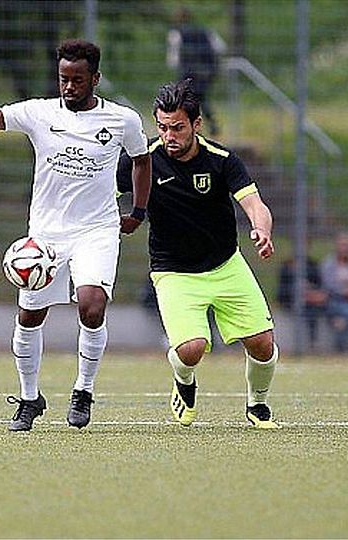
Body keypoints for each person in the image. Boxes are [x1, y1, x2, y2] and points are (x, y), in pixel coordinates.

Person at [0, 39, 151, 431]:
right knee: (29, 314)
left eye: (77, 80)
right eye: (63, 79)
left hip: (97, 229)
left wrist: (138, 211)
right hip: (46, 236)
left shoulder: (123, 120)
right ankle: (29, 398)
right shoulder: (39, 112)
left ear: (95, 79)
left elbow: (141, 160)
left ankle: (83, 391)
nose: (69, 87)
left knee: (92, 306)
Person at [116, 79, 281, 429]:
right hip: (173, 271)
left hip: (226, 264)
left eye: (177, 127)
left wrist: (261, 230)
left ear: (196, 124)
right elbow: (100, 195)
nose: (169, 136)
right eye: (162, 127)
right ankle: (185, 385)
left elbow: (255, 204)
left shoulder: (222, 161)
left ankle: (258, 405)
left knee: (263, 344)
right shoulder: (143, 161)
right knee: (191, 349)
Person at [166, 9, 223, 134]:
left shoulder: (177, 34)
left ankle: (187, 127)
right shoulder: (205, 31)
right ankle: (211, 126)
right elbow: (220, 47)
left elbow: (173, 58)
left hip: (188, 71)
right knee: (201, 98)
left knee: (184, 99)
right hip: (206, 71)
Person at [277, 255, 326, 345]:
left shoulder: (312, 265)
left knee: (312, 312)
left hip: (310, 303)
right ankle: (298, 346)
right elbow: (281, 292)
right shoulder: (286, 266)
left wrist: (311, 294)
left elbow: (319, 287)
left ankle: (312, 344)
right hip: (290, 301)